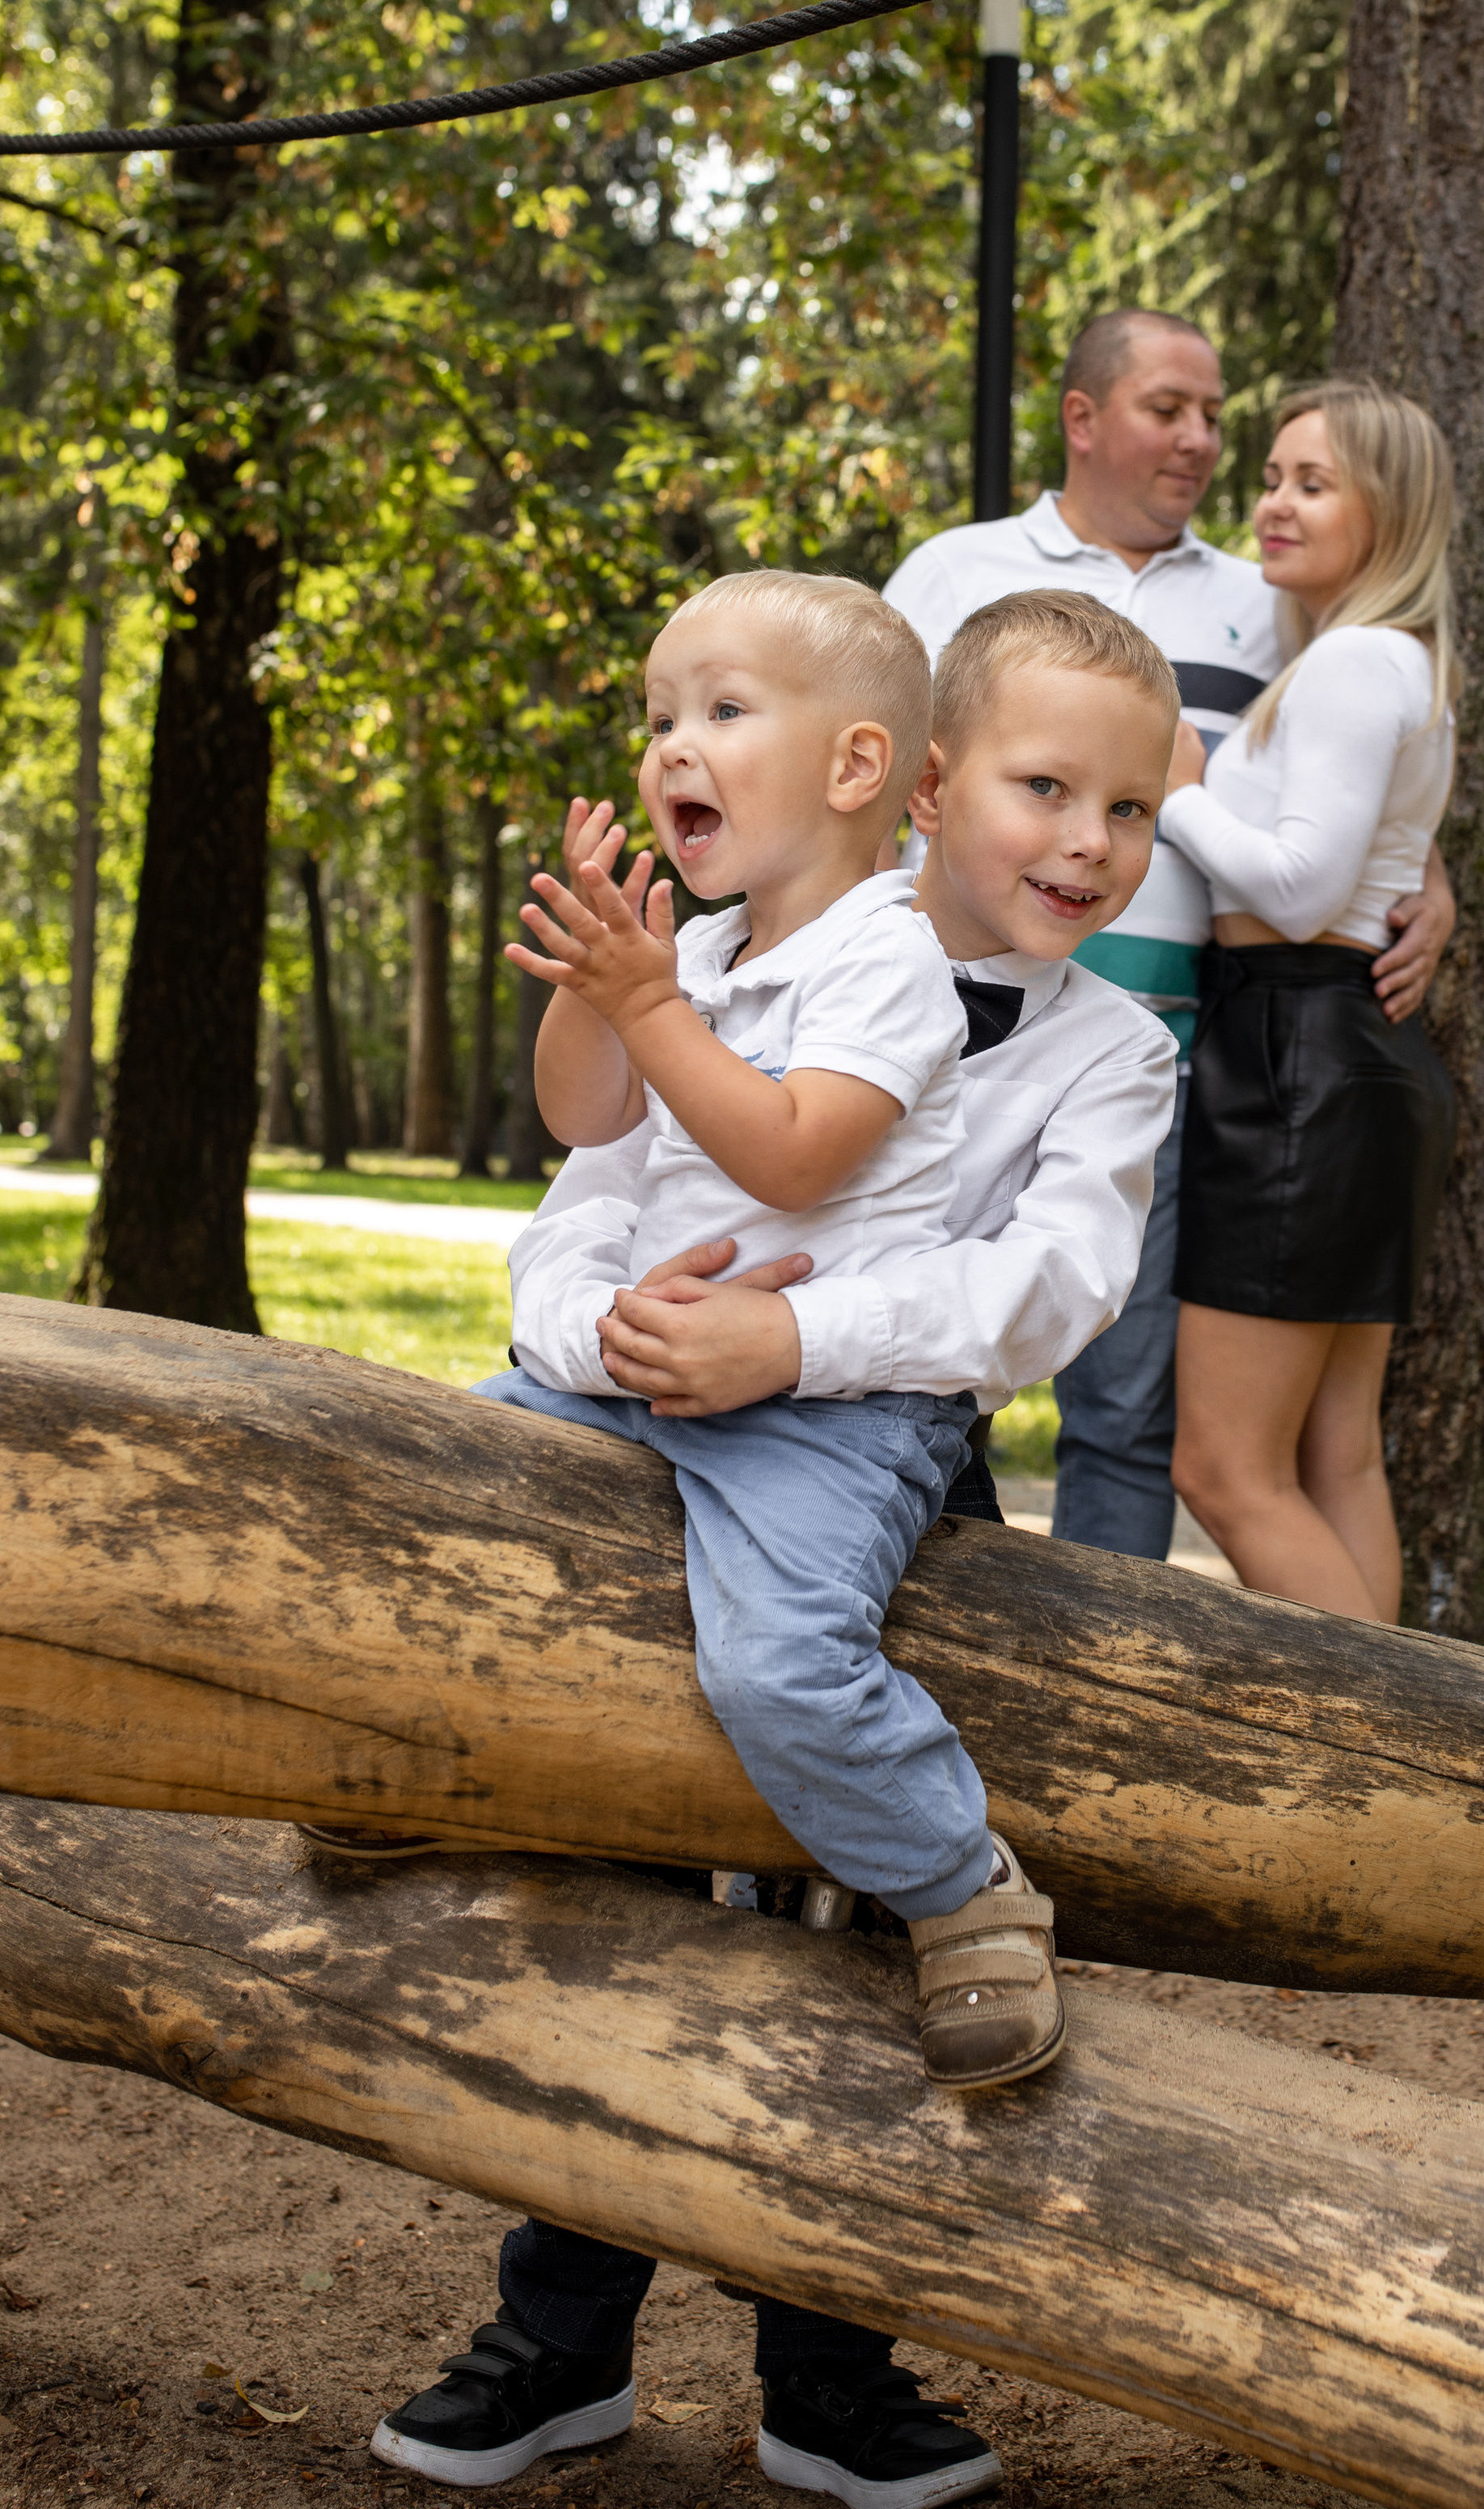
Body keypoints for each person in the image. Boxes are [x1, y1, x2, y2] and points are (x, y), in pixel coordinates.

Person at [368, 590, 1184, 2508]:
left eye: (1125, 813)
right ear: (918, 787)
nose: (1082, 841)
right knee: (617, 1904)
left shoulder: (1112, 1053)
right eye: (1040, 788)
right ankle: (550, 2344)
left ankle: (832, 2373)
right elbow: (584, 1199)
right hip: (645, 1430)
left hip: (887, 1490)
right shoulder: (733, 954)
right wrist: (620, 1337)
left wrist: (787, 1344)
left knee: (833, 1955)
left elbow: (1038, 1295)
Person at [484, 564, 1068, 2103]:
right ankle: (430, 1766)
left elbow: (800, 1153)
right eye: (659, 716)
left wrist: (651, 1003)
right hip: (660, 1370)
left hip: (834, 1412)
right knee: (449, 1482)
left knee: (778, 1669)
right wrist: (605, 983)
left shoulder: (888, 960)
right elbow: (586, 1115)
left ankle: (961, 1887)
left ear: (857, 766)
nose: (673, 746)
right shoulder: (697, 955)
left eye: (723, 712)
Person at [883, 307, 1456, 1563]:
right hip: (942, 1047)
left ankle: (1099, 1683)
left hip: (1178, 1066)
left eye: (1214, 415)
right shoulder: (953, 572)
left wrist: (1431, 876)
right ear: (1084, 420)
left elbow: (1348, 770)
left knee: (1128, 1413)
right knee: (898, 1361)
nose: (1202, 441)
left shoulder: (1274, 601)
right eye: (1168, 410)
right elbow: (866, 776)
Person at [1156, 379, 1460, 1622]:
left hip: (1297, 1058)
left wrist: (1173, 787)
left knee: (1224, 1470)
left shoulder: (1353, 663)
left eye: (1311, 483)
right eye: (1272, 477)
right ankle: (1407, 1783)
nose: (1273, 503)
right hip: (1345, 1057)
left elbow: (1296, 889)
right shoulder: (1385, 660)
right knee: (1335, 1457)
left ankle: (1396, 1750)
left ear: (1386, 510)